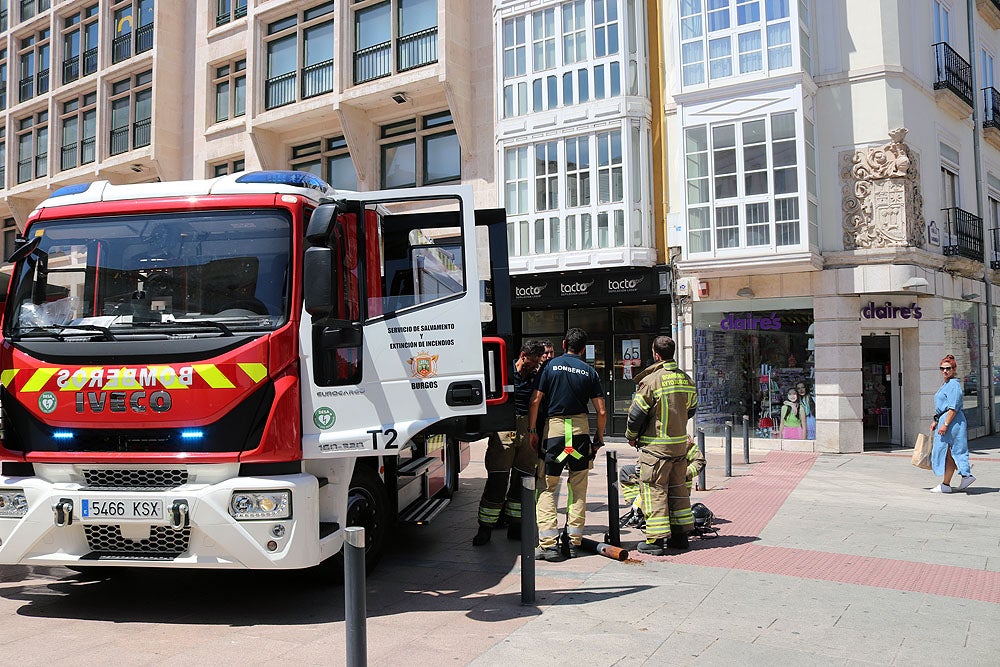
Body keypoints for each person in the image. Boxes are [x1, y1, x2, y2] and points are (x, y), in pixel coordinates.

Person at [528, 328, 606, 561]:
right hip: (579, 434)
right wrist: (598, 438)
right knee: (578, 487)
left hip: (555, 433)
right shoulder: (589, 372)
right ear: (583, 349)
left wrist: (533, 430)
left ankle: (548, 545)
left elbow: (535, 401)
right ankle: (573, 543)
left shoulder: (549, 367)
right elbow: (601, 411)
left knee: (547, 486)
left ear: (564, 344)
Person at [624, 335, 698, 556]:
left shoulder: (652, 380)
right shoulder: (686, 380)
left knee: (654, 491)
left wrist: (631, 435)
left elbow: (636, 414)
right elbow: (691, 410)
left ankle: (656, 541)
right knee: (678, 493)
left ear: (656, 354)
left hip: (656, 450)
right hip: (678, 448)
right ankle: (681, 536)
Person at [472, 340, 546, 545]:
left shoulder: (537, 375)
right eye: (531, 362)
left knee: (522, 482)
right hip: (503, 431)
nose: (534, 367)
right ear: (522, 356)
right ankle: (485, 528)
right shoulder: (503, 372)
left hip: (527, 430)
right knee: (497, 481)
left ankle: (515, 526)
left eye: (537, 363)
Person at [618, 435, 705, 530]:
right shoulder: (653, 439)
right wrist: (640, 467)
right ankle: (637, 507)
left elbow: (699, 461)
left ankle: (649, 513)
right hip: (654, 477)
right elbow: (647, 458)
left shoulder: (684, 442)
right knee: (626, 472)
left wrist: (682, 474)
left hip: (676, 486)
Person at [929, 355, 975, 493]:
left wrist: (945, 424)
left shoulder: (954, 384)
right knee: (948, 453)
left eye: (948, 368)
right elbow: (943, 408)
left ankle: (960, 476)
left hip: (952, 422)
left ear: (954, 369)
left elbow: (952, 408)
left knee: (953, 450)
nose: (945, 371)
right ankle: (949, 483)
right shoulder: (946, 384)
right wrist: (937, 421)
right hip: (946, 420)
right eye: (942, 368)